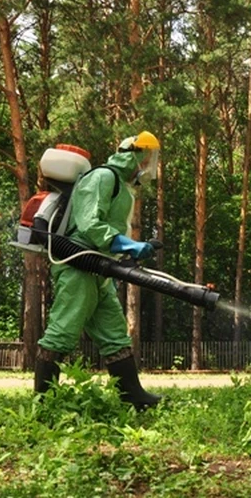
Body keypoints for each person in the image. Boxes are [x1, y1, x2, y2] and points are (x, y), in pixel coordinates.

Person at [34, 130, 162, 410]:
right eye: (146, 158)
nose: (147, 166)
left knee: (115, 334)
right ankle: (43, 402)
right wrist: (128, 244)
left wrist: (122, 251)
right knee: (63, 330)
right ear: (134, 154)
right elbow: (90, 224)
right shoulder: (103, 177)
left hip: (100, 268)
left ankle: (133, 396)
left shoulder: (121, 185)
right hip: (79, 264)